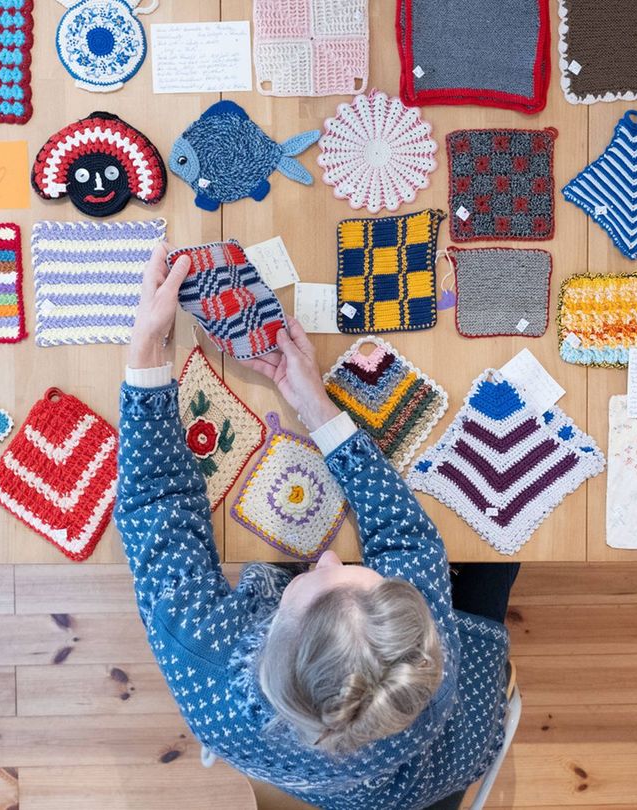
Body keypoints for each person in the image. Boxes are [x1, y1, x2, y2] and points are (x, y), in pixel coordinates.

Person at [115, 243, 518, 810]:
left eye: (318, 582)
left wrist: (145, 351)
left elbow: (155, 506)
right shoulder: (426, 665)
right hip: (430, 767)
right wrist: (319, 412)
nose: (332, 558)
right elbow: (407, 540)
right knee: (498, 544)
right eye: (363, 578)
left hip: (344, 778)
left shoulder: (206, 661)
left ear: (267, 638)